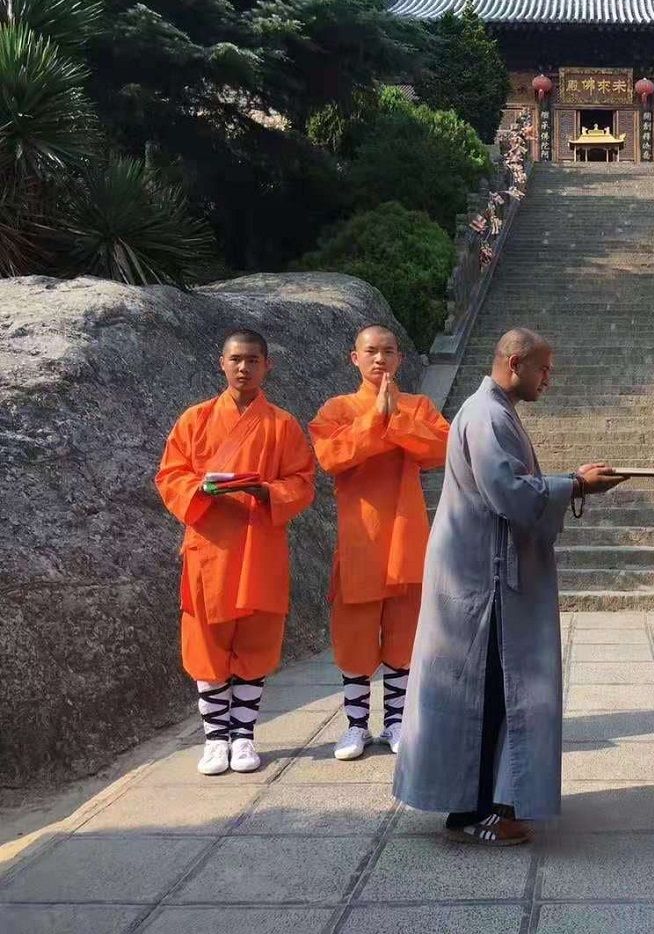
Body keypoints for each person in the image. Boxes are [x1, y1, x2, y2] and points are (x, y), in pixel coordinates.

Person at [392, 328, 625, 845]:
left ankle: (477, 803)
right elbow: (509, 494)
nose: (549, 379)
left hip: (482, 571)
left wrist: (569, 479)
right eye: (543, 369)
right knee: (490, 693)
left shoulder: (491, 410)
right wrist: (577, 484)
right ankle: (481, 810)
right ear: (515, 363)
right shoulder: (487, 414)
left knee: (486, 690)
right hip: (484, 579)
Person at [155, 329, 315, 776]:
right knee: (206, 641)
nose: (244, 368)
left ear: (268, 366)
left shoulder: (282, 424)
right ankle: (214, 739)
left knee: (256, 638)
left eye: (253, 360)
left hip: (258, 544)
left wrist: (265, 491)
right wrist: (202, 489)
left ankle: (244, 737)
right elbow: (170, 475)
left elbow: (302, 481)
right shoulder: (195, 418)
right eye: (236, 359)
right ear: (221, 363)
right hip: (209, 545)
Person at [309, 325, 450, 760]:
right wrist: (376, 419)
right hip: (360, 536)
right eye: (371, 351)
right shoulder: (337, 408)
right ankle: (354, 724)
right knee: (355, 634)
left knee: (404, 633)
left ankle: (396, 720)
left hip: (407, 533)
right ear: (354, 357)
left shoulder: (419, 406)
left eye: (389, 351)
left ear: (400, 359)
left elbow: (442, 449)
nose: (380, 360)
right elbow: (331, 457)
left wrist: (398, 418)